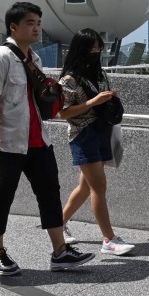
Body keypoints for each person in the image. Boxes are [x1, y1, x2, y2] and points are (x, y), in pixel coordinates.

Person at [0, 1, 94, 274]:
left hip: (38, 140)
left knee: (49, 194)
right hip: (8, 142)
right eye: (30, 23)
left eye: (39, 24)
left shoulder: (35, 59)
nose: (36, 29)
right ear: (14, 27)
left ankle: (60, 251)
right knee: (2, 197)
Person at [57, 28, 134, 256]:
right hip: (83, 134)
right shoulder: (69, 80)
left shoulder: (100, 75)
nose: (97, 53)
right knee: (98, 187)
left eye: (99, 48)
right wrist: (94, 101)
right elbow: (63, 113)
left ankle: (58, 223)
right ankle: (108, 239)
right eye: (93, 49)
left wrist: (109, 100)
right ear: (82, 50)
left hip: (102, 131)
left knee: (85, 186)